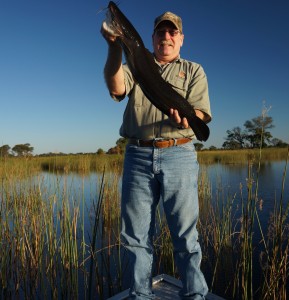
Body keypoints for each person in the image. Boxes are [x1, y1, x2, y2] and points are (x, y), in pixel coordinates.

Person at [101, 10, 212, 300]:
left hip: (180, 154)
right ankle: (140, 295)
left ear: (181, 39)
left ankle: (195, 295)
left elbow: (201, 112)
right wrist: (115, 48)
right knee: (135, 237)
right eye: (161, 32)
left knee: (186, 236)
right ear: (151, 38)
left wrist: (188, 118)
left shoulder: (194, 70)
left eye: (172, 32)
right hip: (137, 156)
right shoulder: (136, 63)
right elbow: (116, 87)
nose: (166, 36)